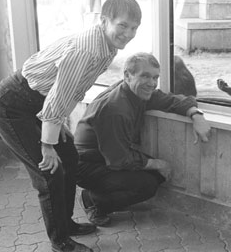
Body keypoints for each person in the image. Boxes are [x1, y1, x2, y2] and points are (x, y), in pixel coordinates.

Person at [0, 0, 141, 251]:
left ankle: (66, 223)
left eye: (134, 28)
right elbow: (60, 94)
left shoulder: (107, 45)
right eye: (123, 25)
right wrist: (47, 145)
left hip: (37, 103)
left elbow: (73, 90)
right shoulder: (88, 49)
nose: (129, 34)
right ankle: (59, 241)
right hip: (12, 106)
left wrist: (58, 127)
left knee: (69, 156)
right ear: (105, 21)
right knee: (49, 172)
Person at [74, 52, 211, 227]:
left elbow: (171, 100)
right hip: (87, 165)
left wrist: (196, 115)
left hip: (107, 155)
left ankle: (100, 194)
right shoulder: (116, 109)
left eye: (155, 77)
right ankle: (93, 201)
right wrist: (158, 163)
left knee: (156, 175)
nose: (152, 83)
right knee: (147, 185)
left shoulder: (136, 92)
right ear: (127, 76)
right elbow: (119, 160)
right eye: (145, 76)